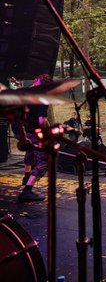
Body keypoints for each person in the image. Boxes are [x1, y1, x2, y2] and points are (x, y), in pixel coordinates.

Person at [16, 74, 52, 203]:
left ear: (36, 81)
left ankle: (26, 178)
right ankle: (27, 191)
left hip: (22, 130)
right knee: (44, 160)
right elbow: (41, 120)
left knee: (30, 151)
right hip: (33, 132)